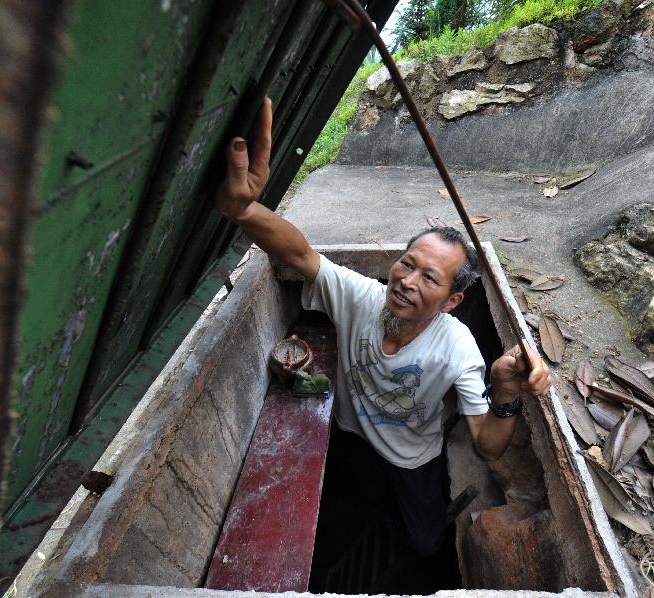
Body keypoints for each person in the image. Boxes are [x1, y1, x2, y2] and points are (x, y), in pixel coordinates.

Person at [217, 99, 552, 556]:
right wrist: (243, 211)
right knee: (355, 501)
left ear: (452, 300)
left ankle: (420, 557)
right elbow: (299, 255)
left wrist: (506, 392)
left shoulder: (456, 347)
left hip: (413, 458)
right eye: (406, 264)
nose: (407, 281)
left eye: (429, 278)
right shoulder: (363, 297)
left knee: (425, 539)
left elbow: (489, 447)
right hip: (350, 434)